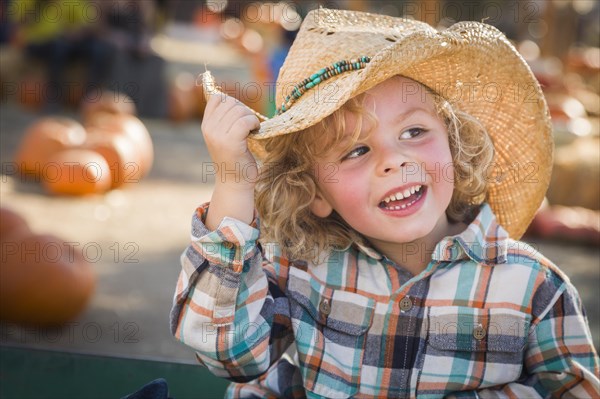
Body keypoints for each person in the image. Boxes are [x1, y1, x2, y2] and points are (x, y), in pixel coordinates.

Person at [170, 8, 600, 398]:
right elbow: (227, 353)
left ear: (455, 145)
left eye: (414, 132)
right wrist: (233, 181)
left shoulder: (533, 289)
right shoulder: (302, 270)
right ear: (315, 193)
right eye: (355, 151)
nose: (394, 161)